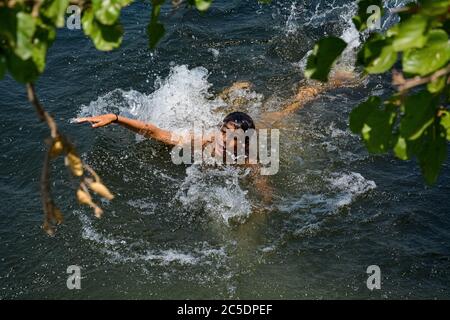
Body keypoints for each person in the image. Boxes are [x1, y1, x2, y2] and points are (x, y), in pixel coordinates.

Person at [75, 71, 357, 205]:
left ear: (243, 144)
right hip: (228, 126)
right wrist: (115, 118)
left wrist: (262, 211)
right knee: (222, 114)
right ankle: (231, 93)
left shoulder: (249, 159)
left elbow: (265, 192)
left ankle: (325, 84)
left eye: (230, 137)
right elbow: (155, 132)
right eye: (224, 133)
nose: (223, 140)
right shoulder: (207, 140)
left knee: (282, 113)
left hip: (260, 125)